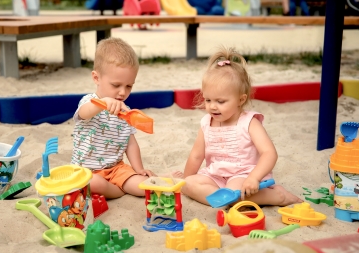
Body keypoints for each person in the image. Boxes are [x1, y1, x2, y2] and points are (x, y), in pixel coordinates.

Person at [173, 47, 302, 207]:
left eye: (220, 102)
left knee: (235, 192)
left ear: (241, 100)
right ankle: (224, 198)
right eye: (208, 100)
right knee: (189, 184)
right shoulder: (207, 122)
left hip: (244, 175)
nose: (213, 107)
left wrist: (254, 178)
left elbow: (269, 153)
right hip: (216, 175)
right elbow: (196, 156)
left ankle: (277, 196)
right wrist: (186, 181)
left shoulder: (248, 122)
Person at [71, 37, 155, 199]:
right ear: (96, 78)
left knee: (143, 186)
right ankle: (116, 191)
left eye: (129, 86)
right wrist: (103, 103)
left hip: (116, 169)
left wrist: (138, 169)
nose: (123, 92)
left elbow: (130, 143)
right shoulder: (90, 101)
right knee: (93, 183)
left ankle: (119, 187)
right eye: (116, 85)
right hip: (88, 170)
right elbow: (84, 113)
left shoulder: (126, 112)